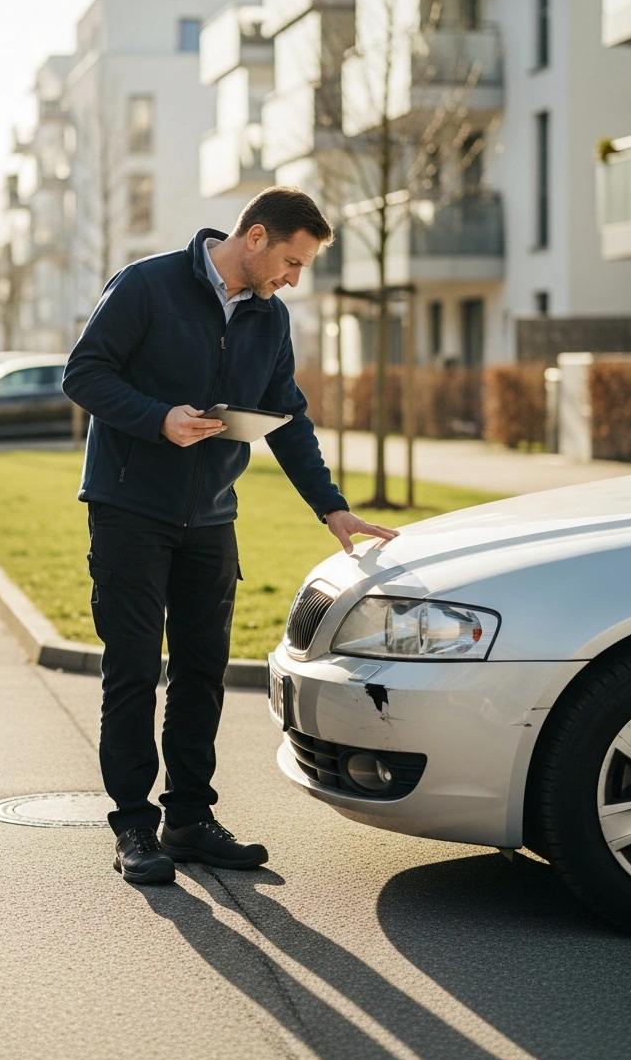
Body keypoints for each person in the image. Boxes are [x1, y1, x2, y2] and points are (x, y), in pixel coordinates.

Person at [62, 186, 398, 886]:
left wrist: (332, 509)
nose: (293, 279)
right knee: (132, 671)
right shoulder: (148, 284)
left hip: (212, 517)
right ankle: (133, 827)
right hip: (129, 509)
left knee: (202, 671)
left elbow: (290, 418)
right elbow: (84, 373)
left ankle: (188, 817)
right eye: (292, 261)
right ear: (255, 238)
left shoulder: (268, 320)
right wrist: (159, 418)